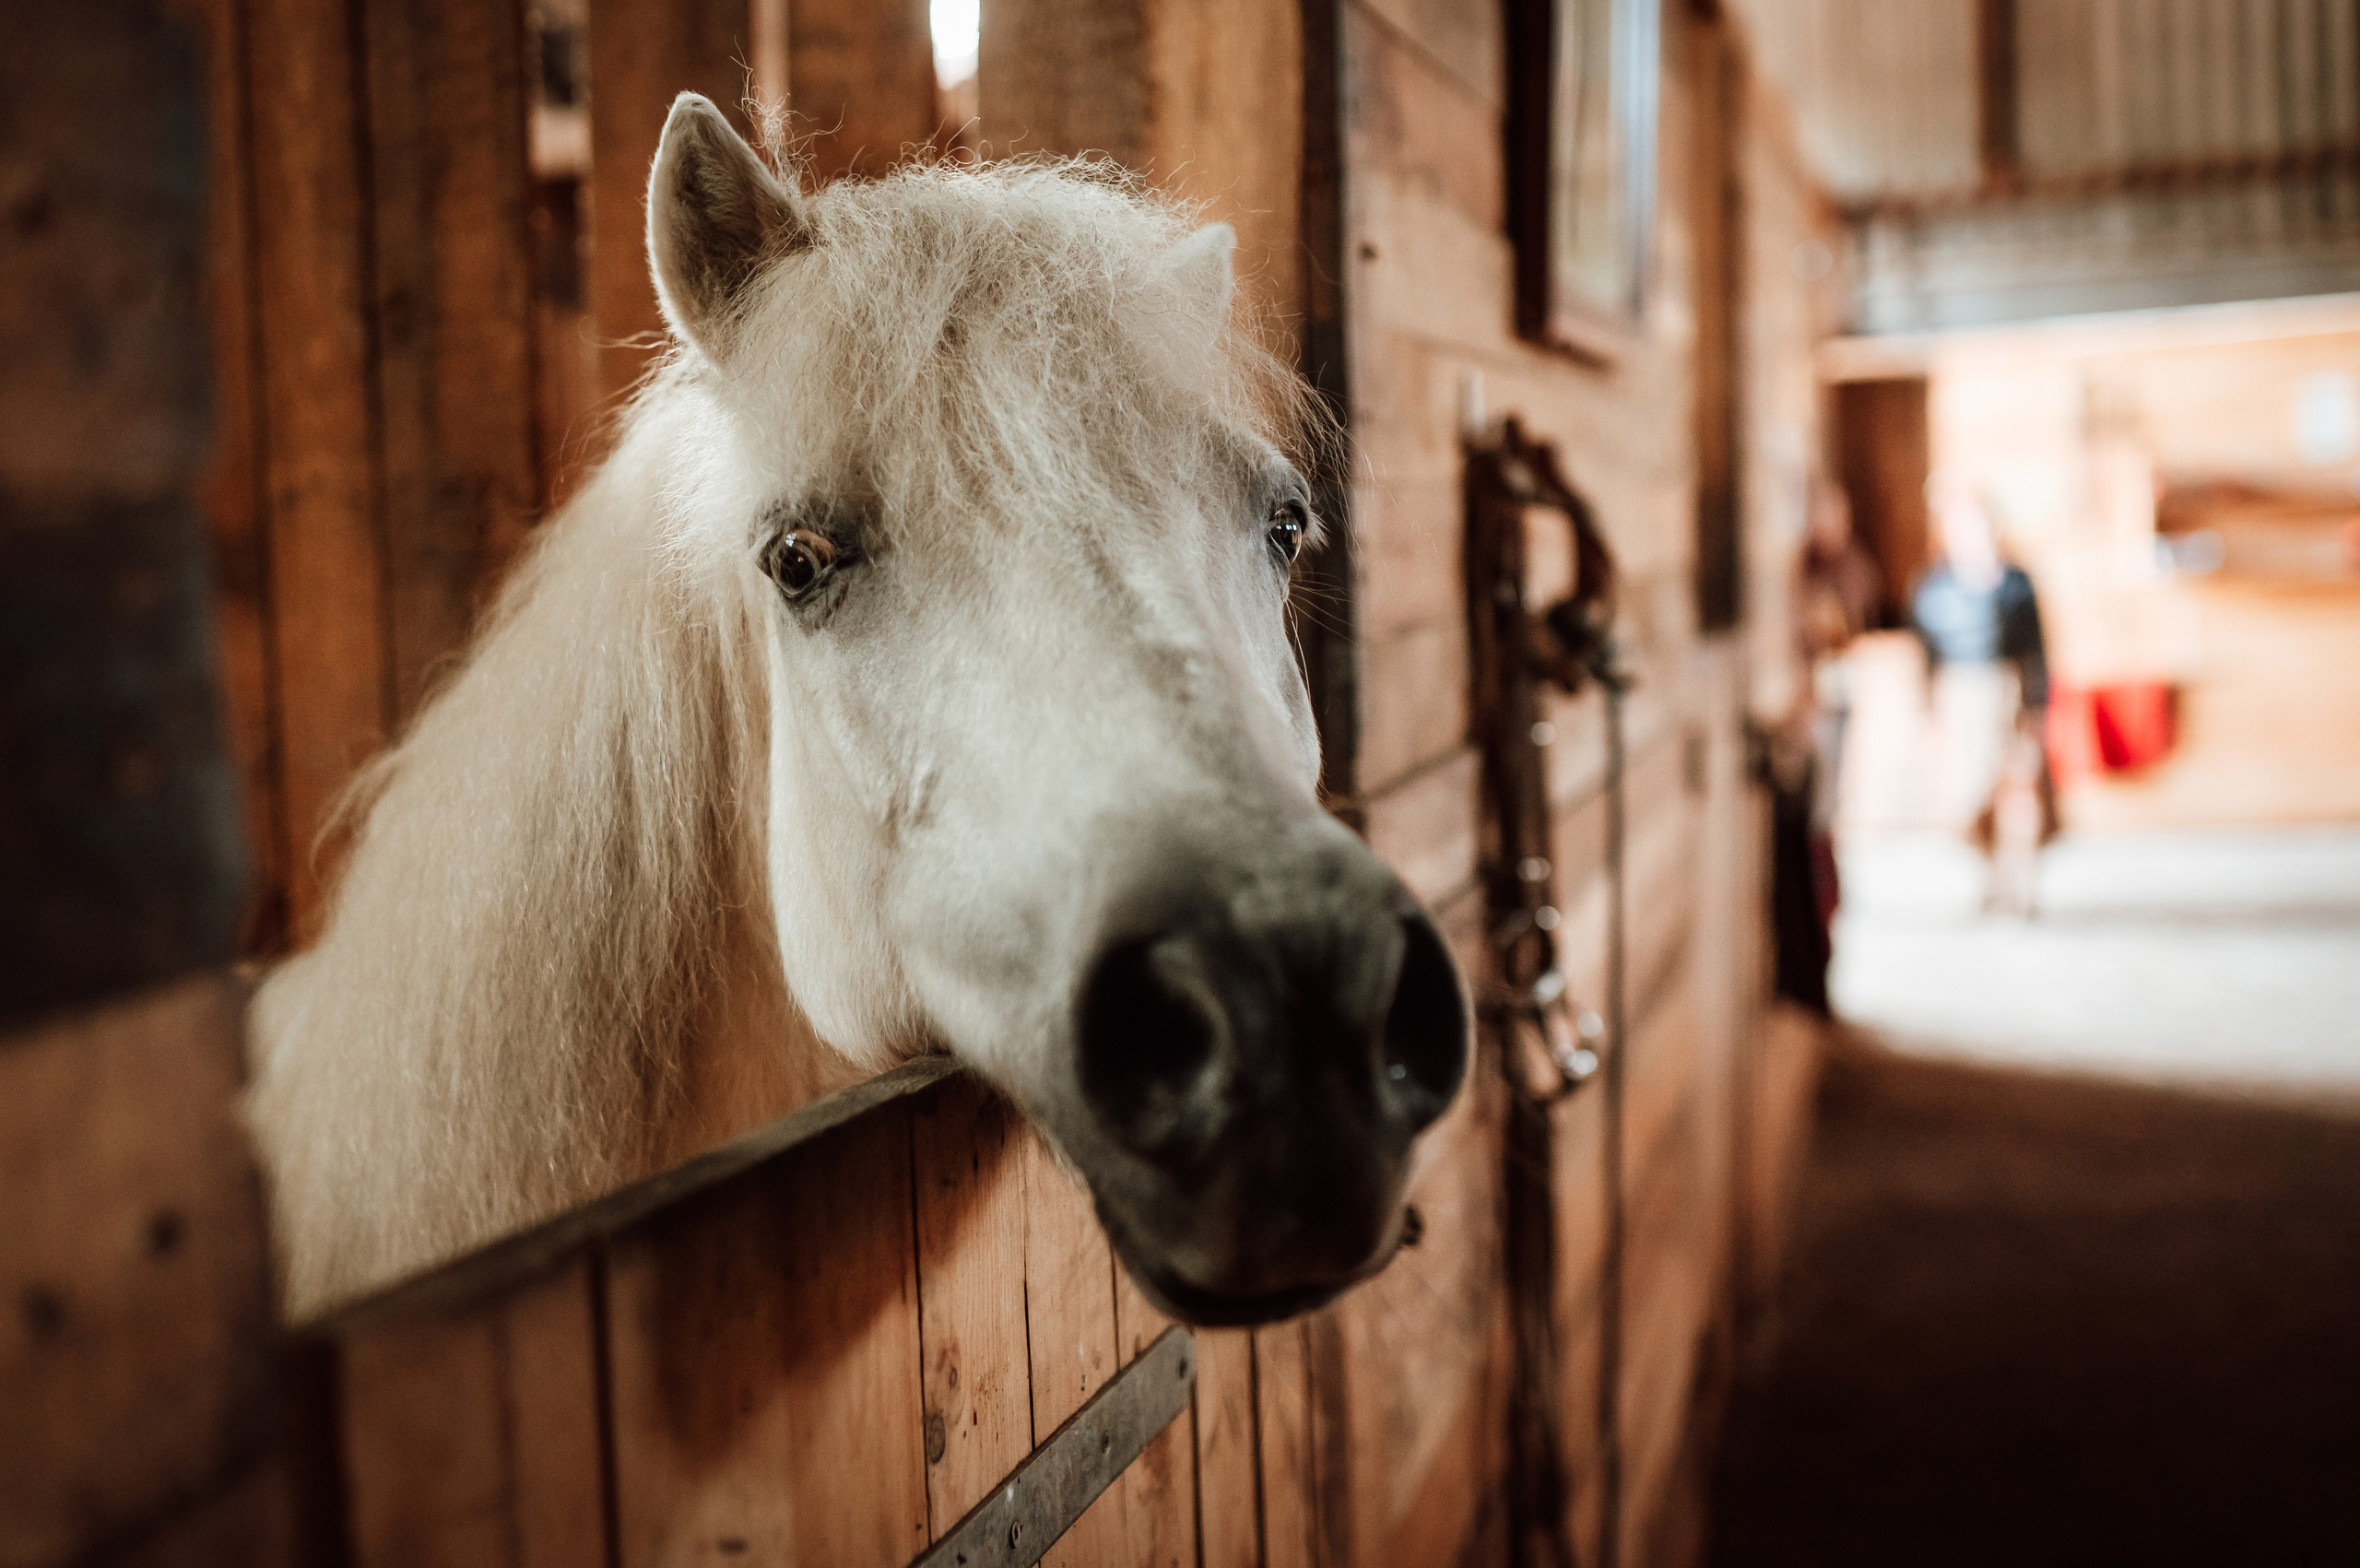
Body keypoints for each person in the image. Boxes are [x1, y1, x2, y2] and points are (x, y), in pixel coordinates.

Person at [1912, 473, 2058, 915]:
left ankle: (2020, 883)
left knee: (2017, 789)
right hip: (1961, 694)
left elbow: (2035, 650)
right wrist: (1929, 713)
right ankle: (1990, 875)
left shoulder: (2015, 584)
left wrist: (2036, 707)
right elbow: (1927, 655)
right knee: (1965, 800)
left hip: (2006, 688)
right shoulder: (1934, 587)